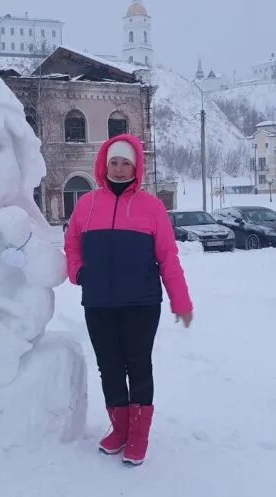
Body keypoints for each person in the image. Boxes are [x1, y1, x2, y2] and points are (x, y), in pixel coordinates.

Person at [63, 133, 193, 465]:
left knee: (137, 365)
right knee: (109, 367)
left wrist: (181, 301)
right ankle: (119, 430)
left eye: (126, 163)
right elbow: (72, 245)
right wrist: (79, 273)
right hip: (99, 303)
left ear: (136, 167)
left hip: (141, 303)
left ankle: (138, 435)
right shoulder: (86, 205)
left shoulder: (151, 207)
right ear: (105, 165)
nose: (119, 169)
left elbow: (168, 256)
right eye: (114, 163)